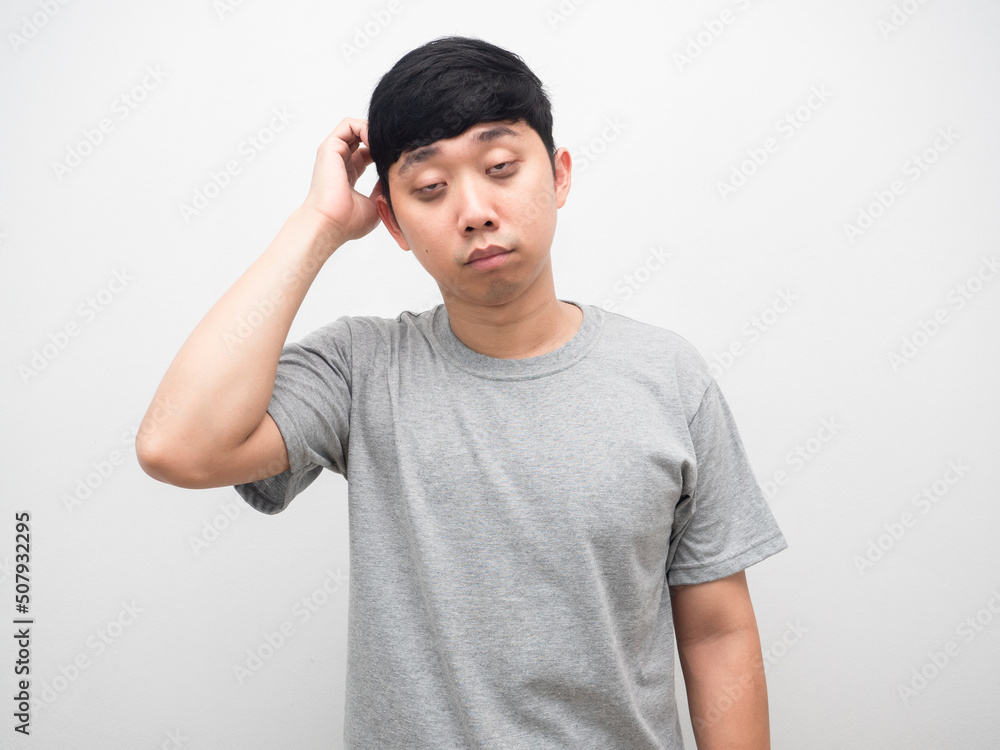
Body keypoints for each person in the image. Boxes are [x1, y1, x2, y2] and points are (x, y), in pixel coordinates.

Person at [137, 35, 787, 750]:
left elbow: (718, 631)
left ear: (559, 175)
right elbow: (178, 445)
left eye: (500, 167)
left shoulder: (668, 377)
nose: (474, 210)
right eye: (429, 188)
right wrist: (318, 224)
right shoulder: (361, 369)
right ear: (393, 222)